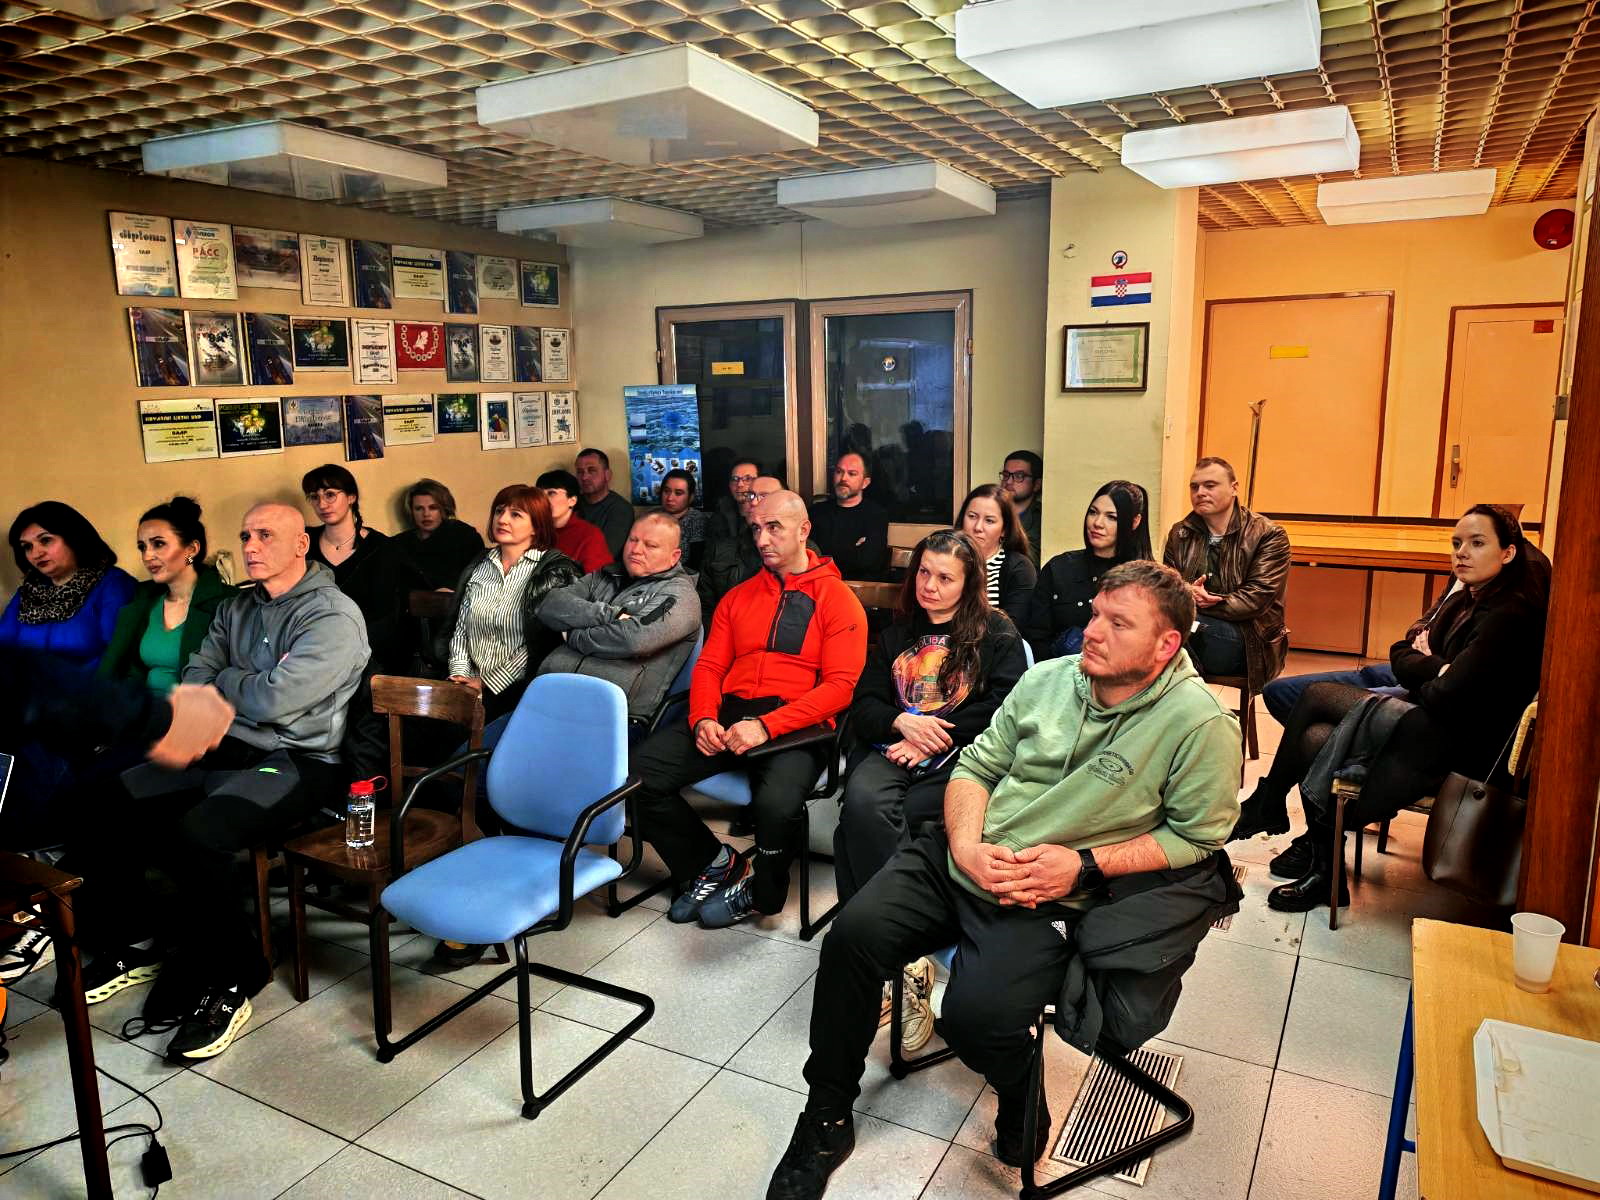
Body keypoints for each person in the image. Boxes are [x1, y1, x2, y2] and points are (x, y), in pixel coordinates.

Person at [765, 562, 1241, 1199]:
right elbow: (976, 768)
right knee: (852, 938)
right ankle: (825, 1116)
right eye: (1095, 613)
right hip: (962, 855)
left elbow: (1198, 837)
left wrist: (1083, 865)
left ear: (1166, 645)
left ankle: (1021, 1090)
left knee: (975, 1019)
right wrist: (965, 844)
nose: (1092, 630)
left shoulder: (1199, 723)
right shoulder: (1049, 679)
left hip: (1049, 892)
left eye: (1118, 623)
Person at [70, 502, 369, 1064]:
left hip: (299, 759)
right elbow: (194, 676)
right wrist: (244, 683)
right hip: (222, 741)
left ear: (301, 544)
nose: (251, 546)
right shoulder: (237, 606)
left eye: (265, 535)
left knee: (200, 835)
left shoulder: (333, 616)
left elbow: (278, 700)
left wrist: (230, 683)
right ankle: (139, 940)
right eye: (246, 535)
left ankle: (236, 975)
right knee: (105, 797)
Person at [1234, 505, 1550, 913]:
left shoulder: (1510, 614)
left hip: (1460, 743)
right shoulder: (1468, 597)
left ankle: (1271, 805)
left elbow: (1445, 695)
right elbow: (1403, 649)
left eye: (1477, 543)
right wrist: (1438, 667)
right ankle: (1323, 869)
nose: (1462, 553)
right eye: (1457, 543)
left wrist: (1430, 667)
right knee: (1316, 737)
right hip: (1432, 720)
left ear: (1507, 553)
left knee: (1315, 698)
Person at [629, 491, 867, 930]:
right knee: (637, 777)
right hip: (730, 714)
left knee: (775, 804)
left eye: (774, 527)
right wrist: (703, 717)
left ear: (804, 530)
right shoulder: (738, 596)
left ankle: (763, 894)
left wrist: (766, 726)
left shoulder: (838, 599)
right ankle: (711, 863)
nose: (762, 539)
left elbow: (840, 689)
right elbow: (710, 667)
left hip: (798, 723)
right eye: (756, 528)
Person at [835, 529, 1027, 1052]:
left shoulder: (997, 634)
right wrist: (901, 722)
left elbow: (1007, 710)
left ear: (968, 584)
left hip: (961, 759)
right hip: (894, 748)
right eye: (923, 572)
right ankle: (903, 957)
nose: (930, 586)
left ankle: (877, 952)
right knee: (862, 806)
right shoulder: (897, 632)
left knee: (862, 827)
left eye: (945, 577)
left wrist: (931, 735)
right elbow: (864, 704)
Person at [536, 512, 702, 722]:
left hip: (613, 716)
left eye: (650, 545)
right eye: (632, 540)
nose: (636, 549)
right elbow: (549, 605)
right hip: (549, 697)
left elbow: (634, 640)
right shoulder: (604, 575)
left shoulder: (681, 595)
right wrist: (611, 615)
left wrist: (572, 635)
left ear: (674, 556)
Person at [446, 485, 583, 725]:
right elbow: (460, 628)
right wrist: (459, 675)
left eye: (516, 514)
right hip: (467, 686)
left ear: (537, 526)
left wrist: (485, 684)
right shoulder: (480, 564)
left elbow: (540, 643)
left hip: (521, 690)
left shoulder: (552, 571)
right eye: (499, 511)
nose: (502, 519)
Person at [1162, 457, 1290, 690]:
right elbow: (1167, 587)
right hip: (1191, 628)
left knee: (1167, 630)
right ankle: (1186, 697)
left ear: (1234, 488)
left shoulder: (1268, 535)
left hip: (1249, 641)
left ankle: (1178, 698)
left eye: (1210, 485)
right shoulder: (1180, 533)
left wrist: (1201, 601)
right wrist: (1187, 592)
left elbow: (1255, 600)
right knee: (1155, 625)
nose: (1200, 492)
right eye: (1194, 487)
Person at [99, 497, 235, 694]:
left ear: (192, 549)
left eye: (158, 544)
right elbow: (127, 670)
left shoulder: (229, 603)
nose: (147, 556)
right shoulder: (143, 600)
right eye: (142, 547)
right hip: (144, 707)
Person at [303, 464, 423, 674]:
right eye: (314, 497)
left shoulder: (381, 548)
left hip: (369, 655)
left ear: (351, 497)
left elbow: (385, 615)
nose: (322, 504)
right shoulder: (304, 543)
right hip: (316, 649)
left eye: (330, 495)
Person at [2, 501, 136, 676]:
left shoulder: (112, 584)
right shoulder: (27, 593)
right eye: (27, 547)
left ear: (74, 538)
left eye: (46, 540)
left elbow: (114, 656)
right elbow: (4, 649)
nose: (36, 553)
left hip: (87, 688)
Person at [1022, 480, 1151, 662]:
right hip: (1059, 671)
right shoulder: (1059, 568)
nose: (1097, 523)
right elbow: (1036, 636)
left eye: (1111, 517)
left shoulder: (1145, 578)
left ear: (1135, 521)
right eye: (1093, 512)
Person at [698, 473, 786, 621]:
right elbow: (705, 610)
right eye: (751, 496)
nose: (753, 502)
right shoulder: (719, 550)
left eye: (764, 496)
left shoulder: (804, 550)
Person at [956, 483, 1036, 626]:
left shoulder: (1019, 568)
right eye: (972, 516)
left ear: (1004, 529)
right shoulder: (946, 558)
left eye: (989, 520)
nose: (978, 527)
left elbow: (1011, 628)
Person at [391, 479, 484, 591]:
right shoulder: (400, 544)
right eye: (419, 509)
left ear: (444, 509)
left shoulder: (464, 536)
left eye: (433, 508)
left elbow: (482, 579)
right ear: (411, 511)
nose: (426, 514)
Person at [808, 452, 890, 581]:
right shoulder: (816, 512)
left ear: (865, 483)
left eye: (852, 474)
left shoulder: (876, 515)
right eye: (839, 472)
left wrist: (828, 553)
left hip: (861, 589)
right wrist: (852, 549)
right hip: (821, 584)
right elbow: (808, 559)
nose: (843, 478)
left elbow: (868, 562)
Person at [538, 468, 614, 574]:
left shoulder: (590, 535)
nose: (543, 499)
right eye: (539, 494)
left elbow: (597, 580)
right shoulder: (533, 530)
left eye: (551, 493)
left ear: (572, 501)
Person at [575, 448, 635, 560]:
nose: (584, 477)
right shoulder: (573, 503)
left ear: (607, 475)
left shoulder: (620, 509)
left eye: (592, 470)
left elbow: (605, 553)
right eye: (580, 472)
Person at [658, 468, 708, 569]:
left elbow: (696, 563)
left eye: (678, 493)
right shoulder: (651, 517)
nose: (670, 498)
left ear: (691, 497)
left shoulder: (697, 520)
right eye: (666, 491)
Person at [1000, 451, 1043, 565]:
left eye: (1019, 476)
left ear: (1037, 484)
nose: (1008, 481)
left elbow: (1031, 561)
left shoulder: (1042, 518)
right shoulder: (990, 509)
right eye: (1006, 475)